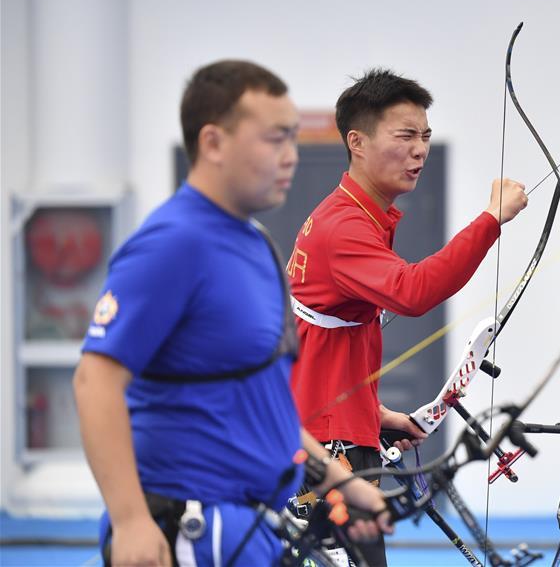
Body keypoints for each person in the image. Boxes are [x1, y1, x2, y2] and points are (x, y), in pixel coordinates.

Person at [73, 60, 391, 567]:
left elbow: (268, 407)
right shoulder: (173, 243)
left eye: (292, 138)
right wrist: (130, 519)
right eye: (273, 139)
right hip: (189, 531)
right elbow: (94, 382)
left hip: (252, 529)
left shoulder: (257, 246)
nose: (290, 156)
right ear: (214, 143)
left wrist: (345, 484)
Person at [287, 68, 528, 566]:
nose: (420, 149)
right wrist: (490, 220)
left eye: (426, 137)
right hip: (326, 453)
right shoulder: (344, 226)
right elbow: (412, 292)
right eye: (406, 136)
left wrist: (374, 417)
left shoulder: (357, 215)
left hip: (331, 434)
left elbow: (324, 348)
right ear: (357, 142)